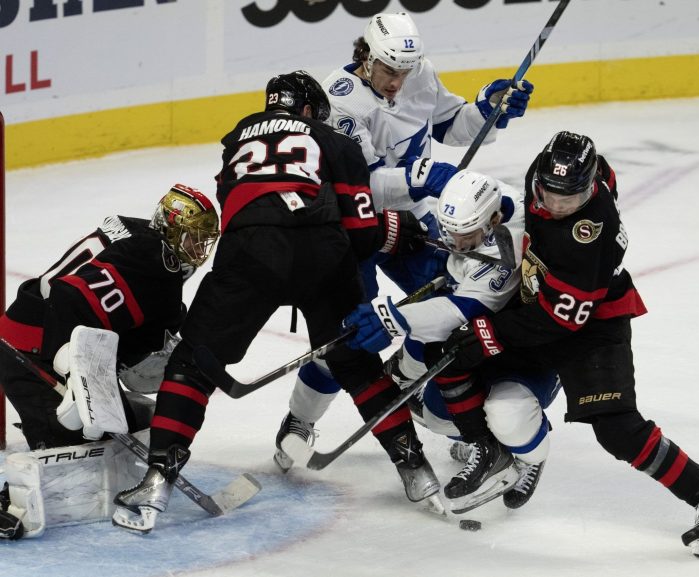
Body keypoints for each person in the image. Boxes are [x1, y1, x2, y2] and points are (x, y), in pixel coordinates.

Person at [111, 71, 438, 534]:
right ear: (308, 111)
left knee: (192, 365)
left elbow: (250, 206)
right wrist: (393, 231)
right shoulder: (333, 140)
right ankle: (416, 471)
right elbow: (363, 238)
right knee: (357, 362)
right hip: (323, 254)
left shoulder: (236, 140)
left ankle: (156, 481)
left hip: (249, 255)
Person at [425, 131, 699, 557]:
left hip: (592, 329)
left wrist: (490, 336)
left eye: (571, 199)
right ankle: (488, 449)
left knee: (617, 431)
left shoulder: (588, 237)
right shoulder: (545, 176)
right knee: (448, 350)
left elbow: (558, 320)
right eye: (551, 194)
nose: (557, 205)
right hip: (542, 306)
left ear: (590, 188)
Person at [274, 11, 535, 471]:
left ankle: (436, 403)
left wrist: (487, 111)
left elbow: (450, 125)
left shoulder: (420, 75)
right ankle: (299, 419)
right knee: (350, 336)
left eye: (404, 72)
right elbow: (362, 185)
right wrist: (423, 176)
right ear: (366, 56)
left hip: (414, 222)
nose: (397, 82)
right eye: (389, 71)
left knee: (452, 310)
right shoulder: (341, 101)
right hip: (354, 226)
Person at [0, 183, 220, 539]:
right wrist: (73, 372)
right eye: (193, 237)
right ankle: (9, 504)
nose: (199, 248)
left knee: (137, 425)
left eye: (204, 239)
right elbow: (68, 295)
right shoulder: (152, 263)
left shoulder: (141, 240)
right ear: (171, 227)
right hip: (32, 352)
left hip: (55, 339)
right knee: (70, 464)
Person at [342, 169, 560, 512]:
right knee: (435, 415)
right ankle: (482, 439)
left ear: (494, 220)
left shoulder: (507, 251)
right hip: (475, 316)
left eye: (466, 237)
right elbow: (430, 174)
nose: (455, 244)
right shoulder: (478, 199)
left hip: (522, 337)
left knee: (503, 414)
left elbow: (458, 312)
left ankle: (529, 455)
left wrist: (393, 319)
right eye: (450, 232)